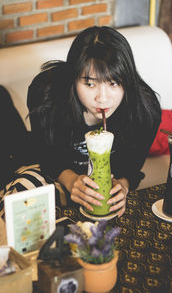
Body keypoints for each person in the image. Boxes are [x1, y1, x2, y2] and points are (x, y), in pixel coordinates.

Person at [27, 26, 161, 217]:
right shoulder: (47, 96)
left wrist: (123, 185)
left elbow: (131, 167)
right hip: (54, 176)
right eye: (90, 84)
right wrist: (71, 181)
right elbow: (47, 154)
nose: (102, 98)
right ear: (73, 79)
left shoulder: (144, 110)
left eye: (113, 83)